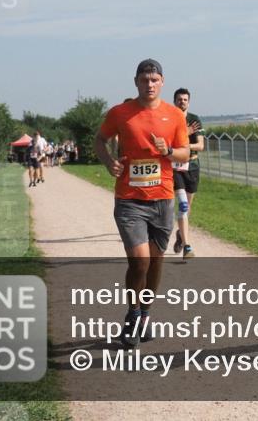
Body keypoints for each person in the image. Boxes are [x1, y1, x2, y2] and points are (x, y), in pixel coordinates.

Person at [94, 59, 189, 347]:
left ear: (162, 82)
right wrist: (109, 162)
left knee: (156, 261)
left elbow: (185, 153)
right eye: (144, 80)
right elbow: (100, 140)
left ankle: (145, 313)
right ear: (135, 82)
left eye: (155, 80)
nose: (149, 84)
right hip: (129, 200)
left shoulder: (174, 116)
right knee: (140, 260)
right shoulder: (120, 112)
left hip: (162, 199)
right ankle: (133, 314)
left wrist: (169, 151)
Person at [171, 88, 205, 259]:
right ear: (174, 101)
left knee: (187, 208)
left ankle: (180, 234)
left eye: (185, 99)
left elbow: (200, 145)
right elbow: (168, 143)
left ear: (188, 102)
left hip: (192, 166)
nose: (182, 102)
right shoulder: (169, 118)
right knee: (183, 205)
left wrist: (184, 144)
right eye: (179, 99)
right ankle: (187, 247)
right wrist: (186, 134)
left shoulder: (194, 119)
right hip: (176, 167)